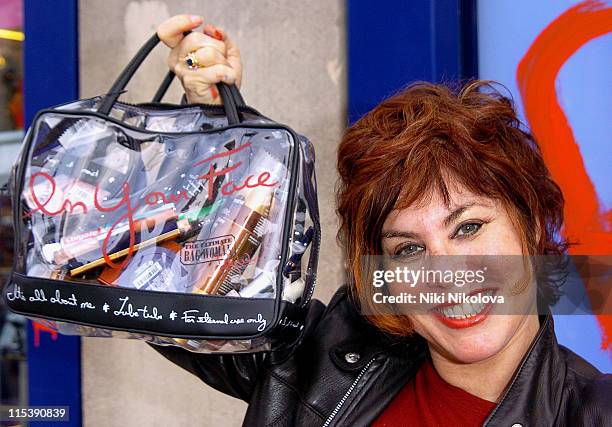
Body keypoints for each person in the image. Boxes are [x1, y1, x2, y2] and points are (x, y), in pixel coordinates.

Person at [150, 14, 612, 426]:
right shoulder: (323, 356)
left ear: (530, 227)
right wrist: (210, 133)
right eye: (408, 248)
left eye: (467, 227)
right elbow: (169, 280)